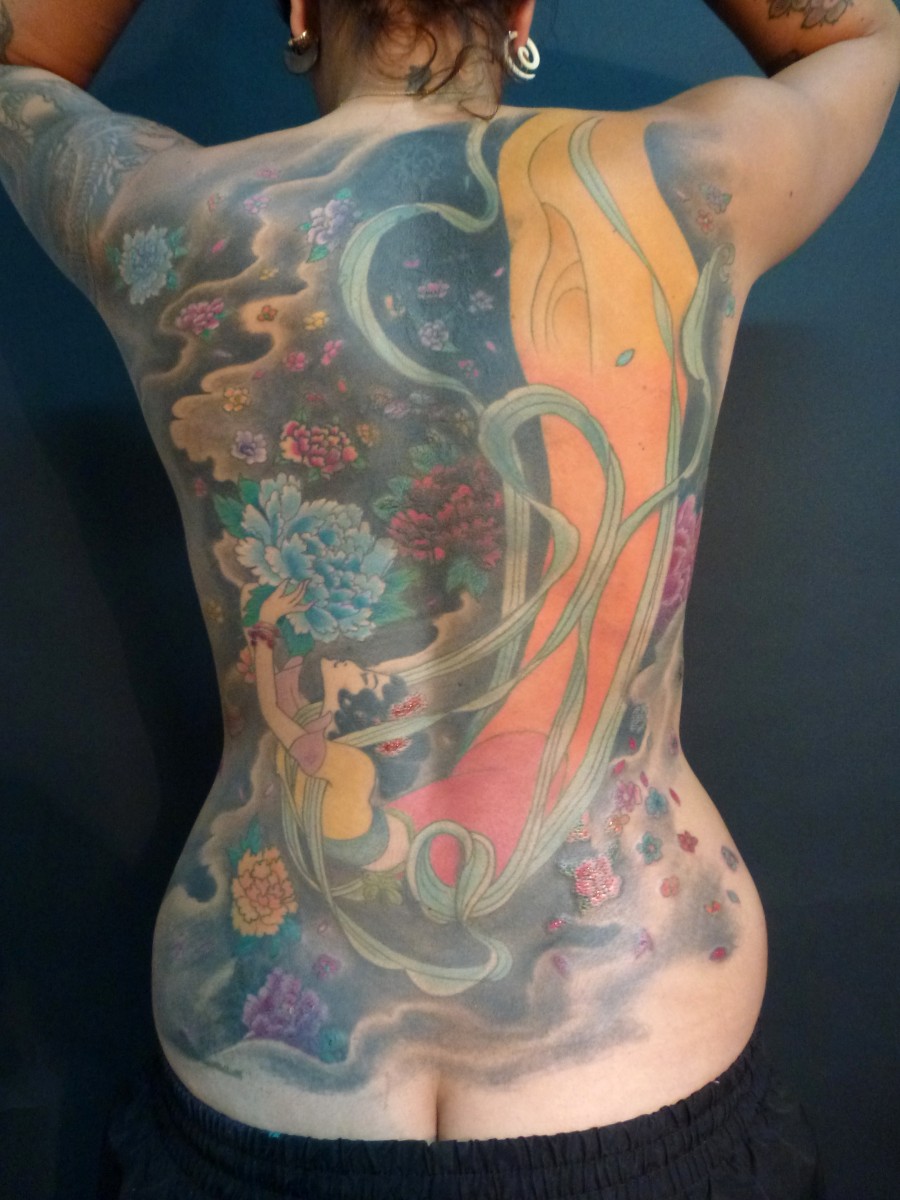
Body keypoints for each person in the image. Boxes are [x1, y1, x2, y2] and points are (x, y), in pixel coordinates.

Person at [1, 0, 897, 1195]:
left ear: (301, 10)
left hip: (271, 1060)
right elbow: (860, 34)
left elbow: (17, 58)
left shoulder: (161, 209)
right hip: (637, 1032)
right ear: (520, 10)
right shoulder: (701, 173)